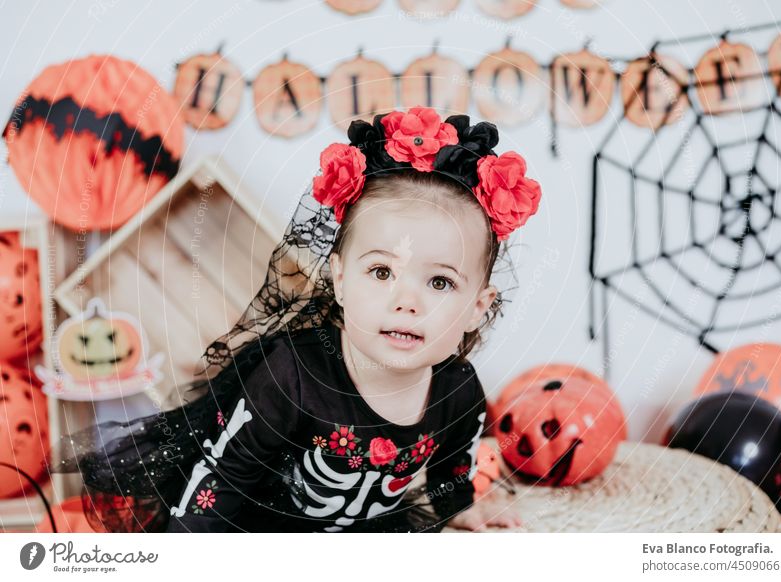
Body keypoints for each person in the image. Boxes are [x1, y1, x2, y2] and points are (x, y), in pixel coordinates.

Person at [49, 106, 542, 533]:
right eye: (381, 271)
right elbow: (221, 480)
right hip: (262, 524)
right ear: (341, 279)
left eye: (440, 283)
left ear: (479, 304)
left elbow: (453, 461)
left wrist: (459, 508)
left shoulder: (457, 388)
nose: (405, 301)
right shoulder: (290, 378)